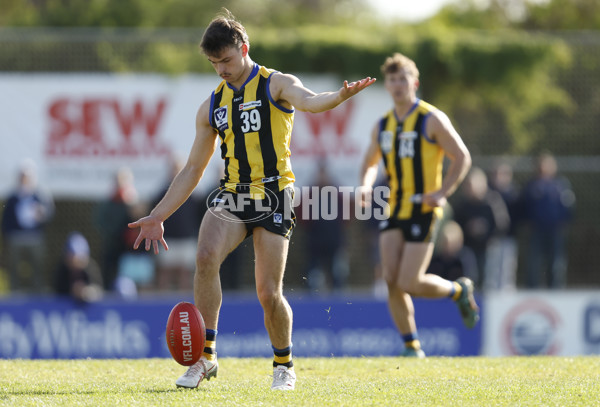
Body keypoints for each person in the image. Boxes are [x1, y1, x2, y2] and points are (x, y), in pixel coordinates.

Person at [127, 9, 375, 391]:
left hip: (275, 195)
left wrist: (340, 96)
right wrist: (157, 214)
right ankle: (205, 359)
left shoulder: (276, 84)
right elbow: (193, 169)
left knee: (267, 292)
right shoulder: (212, 105)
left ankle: (283, 364)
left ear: (244, 48)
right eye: (213, 64)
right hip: (233, 195)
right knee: (205, 256)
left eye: (225, 60)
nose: (221, 70)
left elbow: (310, 101)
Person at [359, 52, 478, 358]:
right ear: (386, 85)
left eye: (403, 79)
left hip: (424, 208)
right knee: (389, 278)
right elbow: (370, 162)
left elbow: (462, 156)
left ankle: (458, 290)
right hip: (394, 208)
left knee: (409, 281)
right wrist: (365, 186)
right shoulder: (383, 125)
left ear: (415, 82)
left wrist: (442, 192)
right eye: (392, 79)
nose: (398, 85)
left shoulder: (430, 118)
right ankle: (411, 345)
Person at [519, 152, 575, 288]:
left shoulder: (560, 185)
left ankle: (555, 289)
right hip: (536, 230)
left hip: (555, 230)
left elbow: (568, 206)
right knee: (534, 262)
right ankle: (531, 289)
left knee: (556, 263)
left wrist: (565, 222)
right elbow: (524, 206)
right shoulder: (531, 185)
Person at [1, 159, 54, 293]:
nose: (25, 179)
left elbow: (49, 213)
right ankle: (15, 291)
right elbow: (6, 218)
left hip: (35, 237)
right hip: (16, 238)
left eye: (27, 176)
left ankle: (37, 291)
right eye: (23, 176)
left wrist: (42, 213)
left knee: (37, 266)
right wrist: (9, 234)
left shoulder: (40, 195)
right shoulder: (13, 196)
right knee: (14, 267)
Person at [452, 167, 510, 288]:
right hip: (468, 247)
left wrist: (485, 229)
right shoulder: (463, 205)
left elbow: (502, 224)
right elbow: (456, 226)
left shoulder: (492, 201)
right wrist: (469, 228)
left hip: (489, 246)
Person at [54, 232, 103, 303]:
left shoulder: (91, 268)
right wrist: (72, 291)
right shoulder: (62, 269)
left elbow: (99, 289)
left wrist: (87, 292)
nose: (76, 261)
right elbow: (58, 291)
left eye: (81, 258)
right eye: (72, 256)